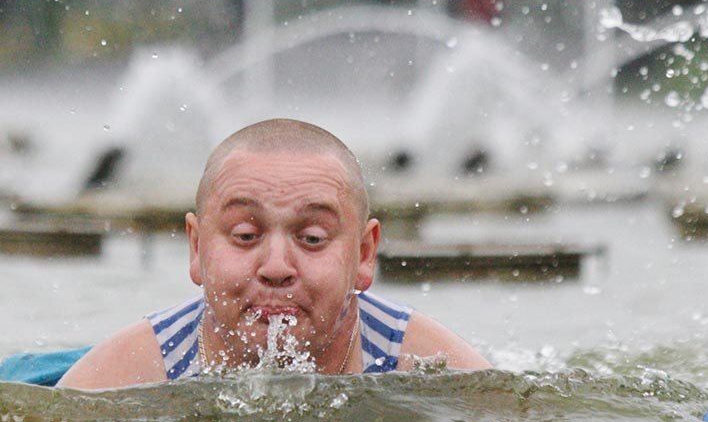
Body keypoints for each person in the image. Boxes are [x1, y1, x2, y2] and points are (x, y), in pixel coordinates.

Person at [57, 118, 490, 390]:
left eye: (313, 238)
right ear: (197, 247)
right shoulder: (120, 375)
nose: (277, 268)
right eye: (245, 235)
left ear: (363, 255)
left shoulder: (431, 365)